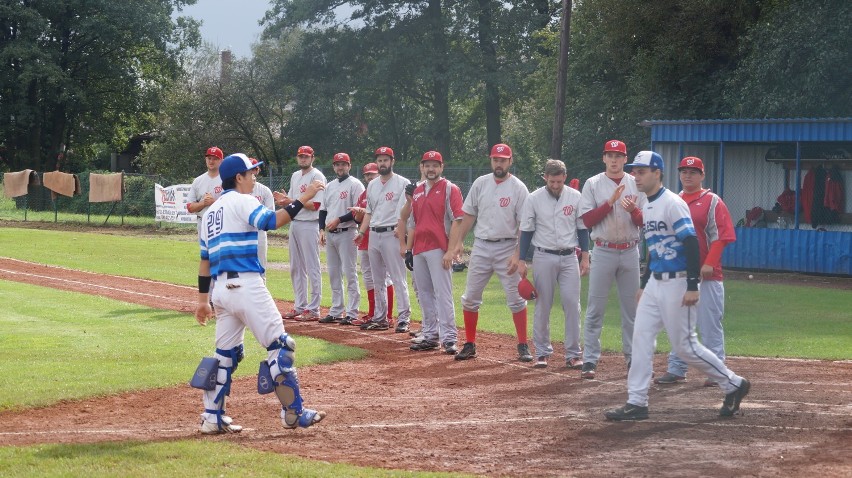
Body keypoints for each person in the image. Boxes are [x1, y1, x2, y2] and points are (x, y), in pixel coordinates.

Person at [604, 151, 750, 421]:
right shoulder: (647, 205)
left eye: (642, 171)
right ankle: (636, 402)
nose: (636, 175)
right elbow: (655, 250)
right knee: (641, 339)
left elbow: (691, 243)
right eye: (634, 171)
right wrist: (644, 283)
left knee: (685, 347)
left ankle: (734, 383)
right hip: (656, 284)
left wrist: (693, 284)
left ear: (657, 173)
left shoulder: (672, 203)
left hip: (679, 282)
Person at [192, 153, 327, 433]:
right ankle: (294, 412)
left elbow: (205, 261)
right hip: (246, 285)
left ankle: (211, 417)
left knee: (224, 356)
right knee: (281, 346)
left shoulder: (212, 212)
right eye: (251, 172)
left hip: (220, 291)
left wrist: (203, 301)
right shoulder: (243, 201)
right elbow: (273, 221)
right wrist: (305, 196)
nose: (255, 177)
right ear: (238, 177)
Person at [445, 143, 532, 362]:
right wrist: (459, 242)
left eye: (503, 160)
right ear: (491, 160)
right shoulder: (480, 183)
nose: (499, 163)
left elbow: (524, 225)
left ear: (510, 161)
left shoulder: (518, 188)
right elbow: (469, 215)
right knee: (470, 297)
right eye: (495, 159)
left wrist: (517, 253)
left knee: (516, 299)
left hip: (507, 246)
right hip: (482, 246)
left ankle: (523, 344)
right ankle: (470, 343)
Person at [654, 156, 736, 387]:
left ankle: (716, 369)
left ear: (702, 175)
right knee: (678, 322)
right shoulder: (673, 200)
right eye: (684, 171)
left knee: (709, 324)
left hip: (708, 274)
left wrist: (710, 262)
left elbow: (722, 236)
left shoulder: (712, 201)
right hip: (680, 273)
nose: (687, 175)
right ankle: (677, 368)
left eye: (693, 171)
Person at [578, 140, 646, 379]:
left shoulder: (635, 183)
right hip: (604, 249)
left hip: (629, 251)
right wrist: (609, 203)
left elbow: (644, 221)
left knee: (632, 310)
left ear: (625, 159)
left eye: (619, 155)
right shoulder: (593, 184)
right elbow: (586, 221)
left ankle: (633, 359)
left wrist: (634, 211)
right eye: (610, 155)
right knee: (595, 308)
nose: (615, 159)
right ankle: (589, 360)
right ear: (604, 158)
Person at [518, 159, 590, 368]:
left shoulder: (576, 197)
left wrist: (585, 256)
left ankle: (574, 354)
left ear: (565, 177)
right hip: (543, 255)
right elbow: (527, 231)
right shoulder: (534, 198)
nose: (555, 185)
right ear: (545, 178)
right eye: (552, 181)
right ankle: (542, 352)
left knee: (572, 304)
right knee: (543, 304)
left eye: (559, 181)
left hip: (569, 256)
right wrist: (521, 259)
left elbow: (582, 229)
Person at [407, 151, 464, 354]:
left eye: (435, 165)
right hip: (419, 248)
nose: (431, 169)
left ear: (442, 167)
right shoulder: (418, 190)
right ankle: (431, 334)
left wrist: (450, 250)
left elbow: (458, 219)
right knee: (424, 294)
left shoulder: (450, 188)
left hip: (439, 247)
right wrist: (408, 250)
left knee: (443, 294)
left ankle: (449, 338)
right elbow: (412, 223)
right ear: (422, 167)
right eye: (427, 165)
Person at [354, 146, 412, 332]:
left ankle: (404, 316)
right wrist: (362, 232)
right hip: (374, 233)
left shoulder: (402, 183)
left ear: (392, 161)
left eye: (386, 160)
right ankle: (380, 317)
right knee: (377, 278)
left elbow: (406, 211)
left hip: (391, 233)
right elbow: (369, 212)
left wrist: (401, 231)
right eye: (379, 160)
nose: (382, 163)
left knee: (397, 276)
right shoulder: (372, 185)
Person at [279, 146, 326, 321]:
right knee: (295, 267)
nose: (303, 159)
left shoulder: (317, 176)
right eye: (301, 156)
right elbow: (293, 203)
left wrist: (291, 201)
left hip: (310, 223)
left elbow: (316, 205)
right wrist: (284, 202)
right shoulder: (295, 176)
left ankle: (314, 308)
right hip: (295, 223)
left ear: (313, 157)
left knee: (312, 266)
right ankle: (300, 305)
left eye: (306, 156)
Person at [345, 162, 394, 326]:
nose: (369, 177)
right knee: (368, 278)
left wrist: (364, 213)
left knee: (385, 277)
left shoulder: (385, 191)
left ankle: (388, 314)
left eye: (372, 174)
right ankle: (373, 312)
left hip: (379, 237)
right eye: (367, 175)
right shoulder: (364, 194)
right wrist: (358, 213)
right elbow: (358, 220)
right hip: (364, 240)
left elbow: (383, 214)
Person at [318, 152, 365, 324]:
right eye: (337, 164)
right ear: (334, 167)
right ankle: (336, 309)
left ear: (349, 166)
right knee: (333, 273)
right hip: (331, 235)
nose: (340, 167)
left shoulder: (355, 184)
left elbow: (358, 212)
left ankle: (352, 312)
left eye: (343, 164)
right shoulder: (330, 186)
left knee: (349, 272)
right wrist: (321, 229)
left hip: (347, 233)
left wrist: (339, 220)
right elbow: (323, 210)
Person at [249, 158, 275, 272]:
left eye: (254, 169)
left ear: (258, 170)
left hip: (259, 232)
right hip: (241, 232)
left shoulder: (264, 190)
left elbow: (271, 214)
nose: (252, 172)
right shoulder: (237, 190)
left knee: (261, 267)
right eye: (249, 169)